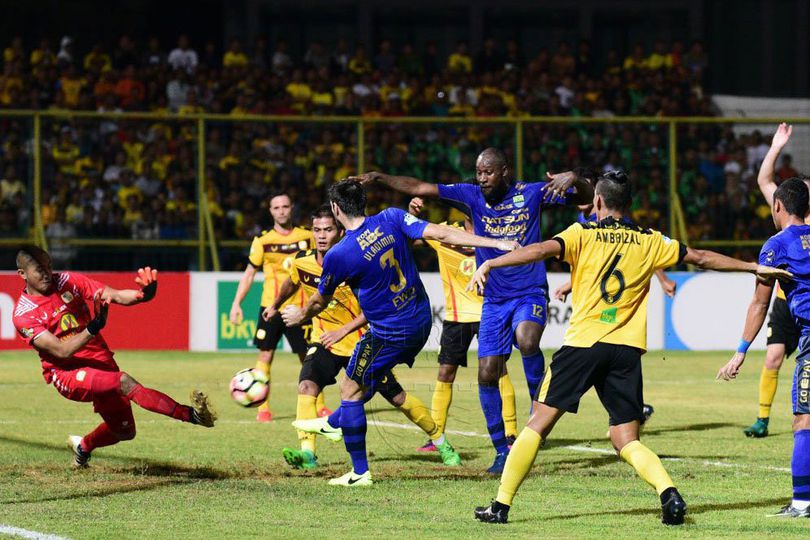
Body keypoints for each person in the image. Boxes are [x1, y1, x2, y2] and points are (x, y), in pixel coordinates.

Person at [470, 170, 788, 525]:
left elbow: (539, 250)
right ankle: (669, 494)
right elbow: (699, 256)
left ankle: (500, 505)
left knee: (536, 426)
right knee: (625, 438)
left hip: (584, 344)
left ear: (599, 202)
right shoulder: (651, 240)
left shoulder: (581, 232)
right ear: (628, 204)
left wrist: (492, 261)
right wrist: (751, 266)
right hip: (625, 350)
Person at [352, 147, 594, 474]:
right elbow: (422, 187)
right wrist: (379, 178)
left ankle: (540, 408)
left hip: (529, 290)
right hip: (492, 299)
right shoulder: (469, 196)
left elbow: (588, 199)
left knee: (526, 341)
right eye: (479, 173)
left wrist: (575, 177)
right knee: (486, 371)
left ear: (504, 171)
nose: (482, 179)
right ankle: (500, 450)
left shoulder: (533, 193)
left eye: (488, 173)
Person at [284, 179, 518, 486]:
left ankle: (359, 472)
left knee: (350, 389)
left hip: (389, 332)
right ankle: (333, 423)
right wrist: (497, 243)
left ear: (336, 210)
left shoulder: (339, 255)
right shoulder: (392, 217)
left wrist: (300, 313)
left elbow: (318, 300)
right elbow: (441, 231)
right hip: (421, 321)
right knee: (364, 382)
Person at [270, 205, 462, 470]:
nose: (322, 235)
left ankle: (442, 443)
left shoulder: (352, 261)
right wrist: (275, 304)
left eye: (328, 229)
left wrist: (343, 329)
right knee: (306, 386)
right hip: (325, 341)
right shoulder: (302, 262)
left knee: (397, 398)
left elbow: (374, 310)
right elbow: (292, 281)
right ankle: (308, 454)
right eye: (317, 230)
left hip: (361, 341)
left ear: (339, 231)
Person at [12, 246, 215, 467]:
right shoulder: (24, 315)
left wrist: (142, 295)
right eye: (39, 269)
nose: (46, 273)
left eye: (49, 266)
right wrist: (91, 329)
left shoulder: (66, 281)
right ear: (22, 274)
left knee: (125, 431)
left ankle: (83, 448)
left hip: (100, 361)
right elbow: (62, 351)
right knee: (124, 382)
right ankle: (191, 415)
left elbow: (114, 295)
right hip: (68, 373)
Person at [718, 177, 810, 517]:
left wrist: (741, 350)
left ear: (777, 207)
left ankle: (802, 503)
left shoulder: (776, 245)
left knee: (804, 420)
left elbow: (759, 304)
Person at [407, 196, 518, 453]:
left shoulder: (496, 235)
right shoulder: (446, 232)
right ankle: (437, 435)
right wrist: (411, 213)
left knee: (497, 371)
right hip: (456, 317)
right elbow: (410, 236)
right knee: (445, 373)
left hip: (490, 313)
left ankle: (511, 433)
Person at [229, 193, 314, 423]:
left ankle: (319, 406)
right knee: (265, 355)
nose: (281, 211)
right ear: (270, 211)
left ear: (292, 208)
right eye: (276, 207)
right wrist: (237, 303)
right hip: (271, 308)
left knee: (308, 357)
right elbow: (249, 274)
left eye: (285, 206)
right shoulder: (262, 241)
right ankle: (263, 408)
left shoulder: (308, 236)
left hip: (300, 308)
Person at [743, 123, 804, 438]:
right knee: (773, 356)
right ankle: (762, 418)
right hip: (785, 300)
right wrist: (776, 146)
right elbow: (764, 180)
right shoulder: (789, 214)